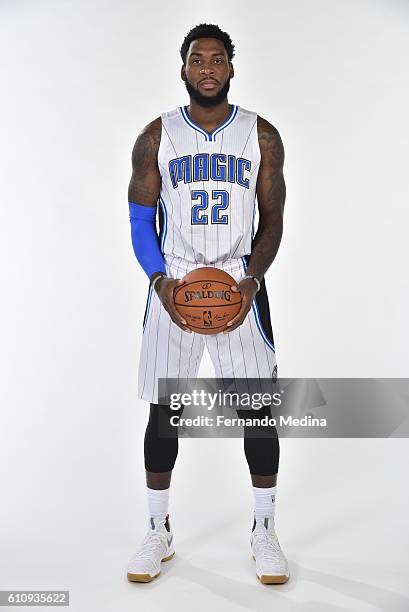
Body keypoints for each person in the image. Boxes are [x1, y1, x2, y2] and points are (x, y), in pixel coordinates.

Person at [127, 23, 289, 585]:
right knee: (163, 414)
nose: (208, 68)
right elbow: (139, 218)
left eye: (218, 59)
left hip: (239, 292)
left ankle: (264, 531)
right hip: (175, 292)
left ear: (231, 68)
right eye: (198, 59)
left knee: (257, 414)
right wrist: (158, 282)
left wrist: (251, 280)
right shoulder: (157, 136)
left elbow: (273, 223)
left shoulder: (261, 136)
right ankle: (157, 531)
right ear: (184, 69)